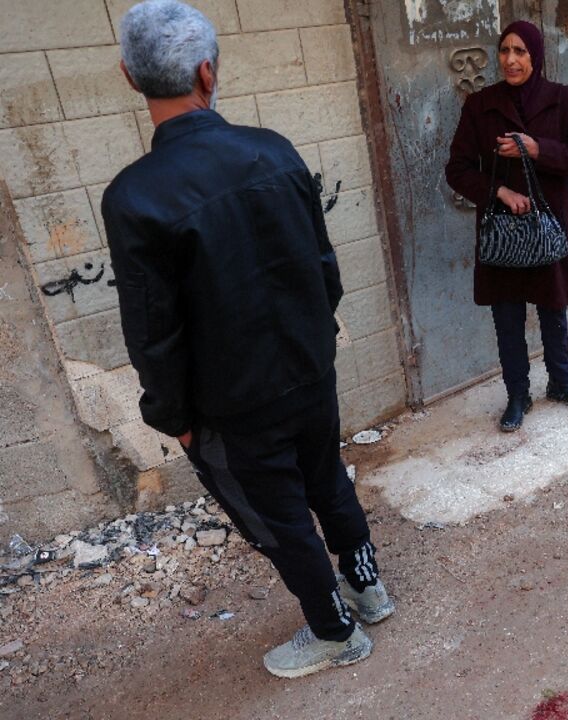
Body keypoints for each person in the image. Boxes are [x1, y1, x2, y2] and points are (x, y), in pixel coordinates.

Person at [102, 0, 393, 678]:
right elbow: (326, 269)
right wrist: (314, 342)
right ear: (210, 71)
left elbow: (152, 329)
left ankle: (335, 631)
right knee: (327, 479)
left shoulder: (135, 196)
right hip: (309, 369)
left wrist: (173, 417)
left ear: (128, 75)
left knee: (280, 514)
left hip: (233, 403)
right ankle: (366, 586)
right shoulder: (274, 149)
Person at [446, 21, 568, 433]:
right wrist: (499, 191)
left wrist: (536, 148)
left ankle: (561, 383)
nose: (511, 60)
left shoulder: (566, 101)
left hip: (547, 225)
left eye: (521, 52)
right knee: (507, 315)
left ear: (536, 55)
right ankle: (518, 394)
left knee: (554, 308)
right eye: (504, 51)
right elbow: (457, 170)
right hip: (502, 230)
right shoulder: (480, 105)